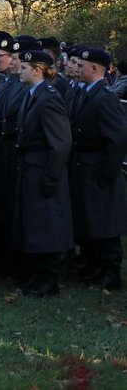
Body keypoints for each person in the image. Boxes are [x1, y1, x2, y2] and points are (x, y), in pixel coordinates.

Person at [13, 50, 73, 297]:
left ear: (37, 70)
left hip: (42, 167)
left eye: (24, 67)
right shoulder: (33, 94)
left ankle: (49, 279)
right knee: (34, 224)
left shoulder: (48, 97)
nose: (19, 70)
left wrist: (50, 175)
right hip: (31, 166)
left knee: (46, 225)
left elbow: (61, 141)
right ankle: (38, 274)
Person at [68, 47, 127, 290]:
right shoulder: (85, 92)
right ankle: (93, 265)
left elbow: (119, 138)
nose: (76, 68)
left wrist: (105, 171)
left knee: (104, 222)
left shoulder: (105, 96)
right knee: (88, 220)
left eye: (81, 65)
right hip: (83, 164)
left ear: (95, 68)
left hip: (98, 167)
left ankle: (110, 271)